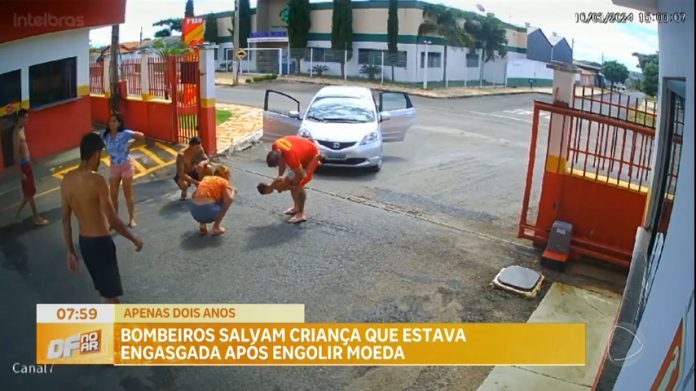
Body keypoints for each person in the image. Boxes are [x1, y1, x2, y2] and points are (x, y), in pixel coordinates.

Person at [61, 132, 143, 303]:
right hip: (101, 244)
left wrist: (70, 251)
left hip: (85, 244)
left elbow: (65, 220)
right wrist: (134, 239)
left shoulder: (66, 180)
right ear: (95, 153)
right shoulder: (97, 181)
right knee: (111, 297)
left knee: (104, 292)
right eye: (100, 154)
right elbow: (112, 218)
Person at [265, 135, 322, 224]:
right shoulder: (275, 146)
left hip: (311, 155)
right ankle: (296, 208)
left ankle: (301, 214)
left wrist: (291, 185)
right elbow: (282, 164)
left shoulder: (291, 158)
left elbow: (302, 175)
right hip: (303, 150)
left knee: (298, 186)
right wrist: (279, 178)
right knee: (292, 183)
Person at [102, 112, 145, 228]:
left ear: (119, 123)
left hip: (126, 165)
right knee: (113, 195)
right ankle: (115, 220)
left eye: (114, 121)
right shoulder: (105, 135)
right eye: (110, 121)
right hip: (114, 166)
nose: (111, 123)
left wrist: (130, 147)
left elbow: (141, 136)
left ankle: (131, 219)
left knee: (127, 193)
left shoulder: (125, 133)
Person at [13, 109, 49, 226]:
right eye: (26, 118)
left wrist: (32, 159)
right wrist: (20, 172)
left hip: (27, 163)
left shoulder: (22, 129)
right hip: (23, 166)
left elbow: (25, 147)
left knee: (29, 192)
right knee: (30, 192)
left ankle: (17, 214)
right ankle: (36, 217)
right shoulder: (16, 134)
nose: (27, 120)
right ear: (20, 118)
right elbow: (16, 154)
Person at [190, 164, 235, 236]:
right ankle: (216, 227)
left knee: (207, 196)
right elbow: (229, 199)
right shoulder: (223, 181)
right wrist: (232, 191)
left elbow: (193, 195)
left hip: (195, 213)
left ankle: (202, 225)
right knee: (225, 200)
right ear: (226, 175)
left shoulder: (206, 179)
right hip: (209, 213)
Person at [175, 136, 209, 201]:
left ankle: (201, 188)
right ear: (190, 146)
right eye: (197, 147)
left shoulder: (200, 149)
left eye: (200, 146)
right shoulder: (181, 155)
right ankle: (184, 191)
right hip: (183, 175)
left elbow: (207, 159)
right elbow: (181, 174)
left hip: (194, 171)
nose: (200, 149)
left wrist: (202, 163)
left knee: (208, 168)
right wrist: (195, 182)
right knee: (184, 185)